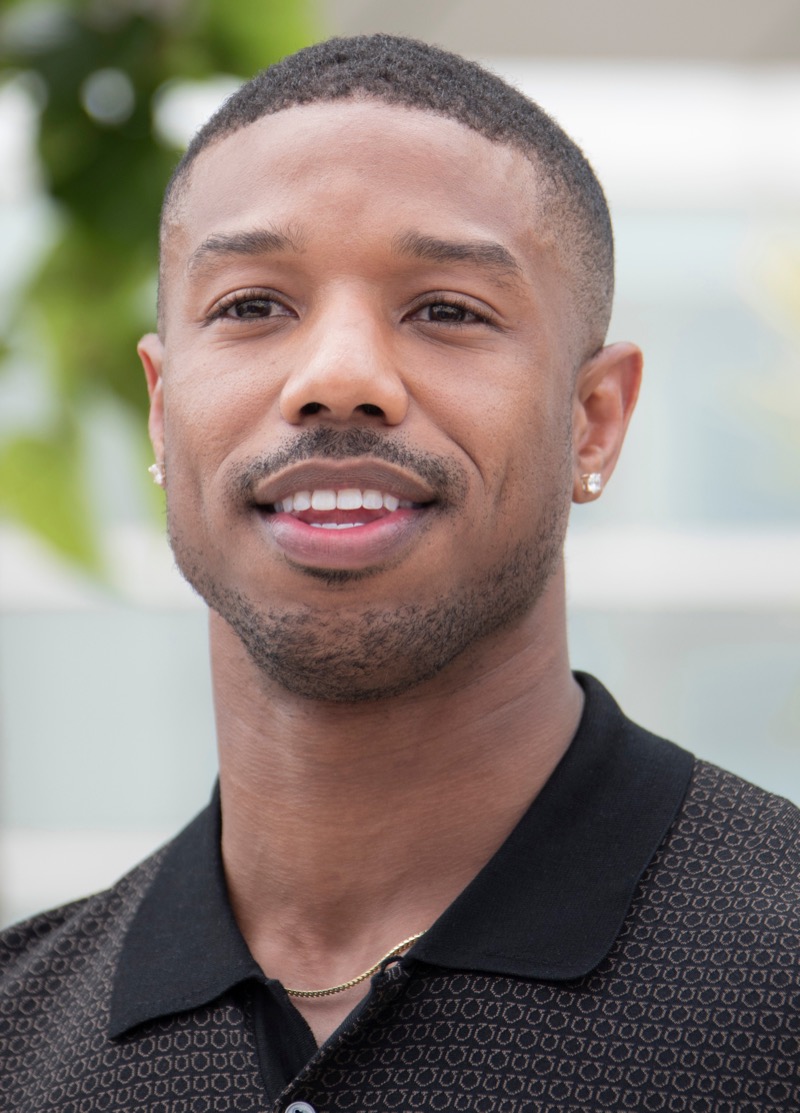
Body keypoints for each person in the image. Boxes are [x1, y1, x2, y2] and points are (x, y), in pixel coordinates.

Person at [1, 33, 797, 1112]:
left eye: (445, 311)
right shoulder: (19, 1036)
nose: (337, 378)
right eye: (250, 307)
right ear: (159, 405)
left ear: (592, 419)